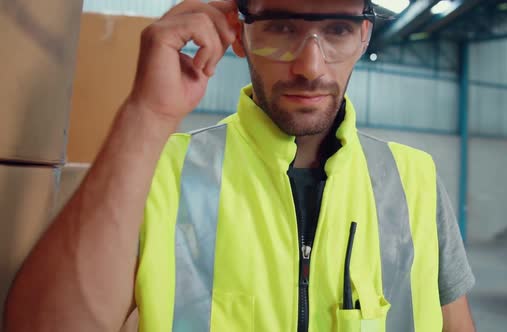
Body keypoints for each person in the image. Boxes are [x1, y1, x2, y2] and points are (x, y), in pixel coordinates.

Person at [4, 0, 476, 331]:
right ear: (240, 33)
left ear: (363, 35)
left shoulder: (413, 178)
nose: (310, 66)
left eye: (337, 30)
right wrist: (146, 115)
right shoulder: (160, 171)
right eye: (281, 27)